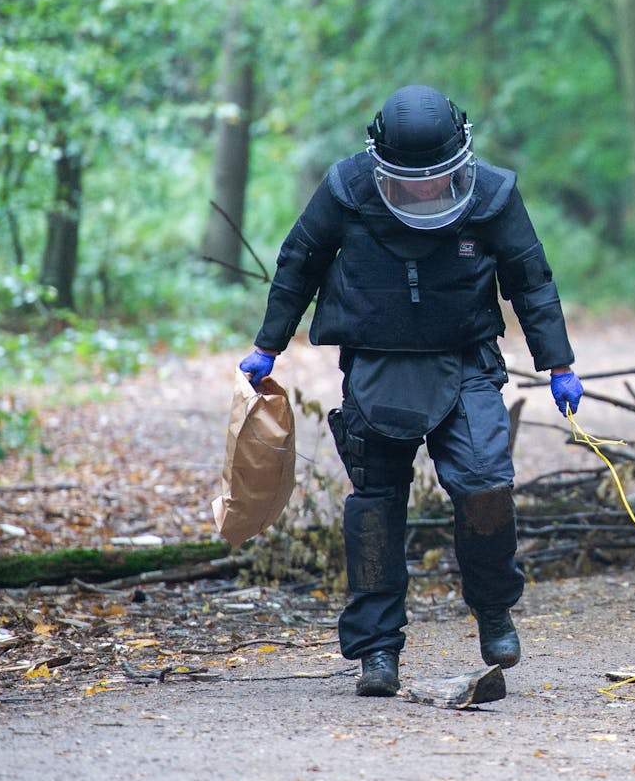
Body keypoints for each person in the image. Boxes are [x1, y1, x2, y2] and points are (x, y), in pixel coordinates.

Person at [238, 84, 585, 698]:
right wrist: (269, 343)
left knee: (485, 483)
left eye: (437, 179)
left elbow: (531, 280)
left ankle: (494, 608)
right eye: (411, 180)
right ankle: (377, 651)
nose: (425, 189)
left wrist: (556, 362)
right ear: (382, 164)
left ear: (461, 158)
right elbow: (300, 260)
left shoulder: (495, 194)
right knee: (375, 505)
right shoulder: (346, 188)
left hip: (468, 359)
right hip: (379, 363)